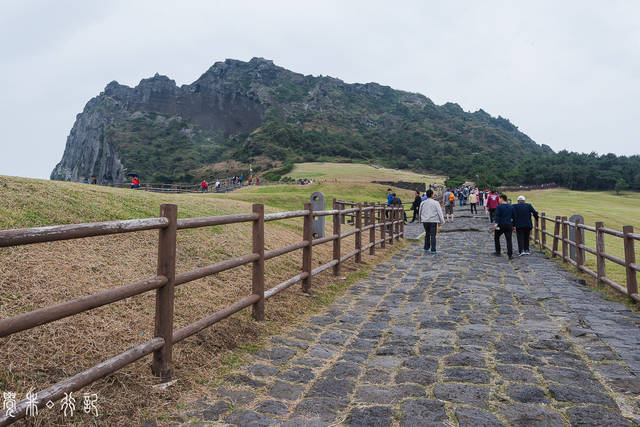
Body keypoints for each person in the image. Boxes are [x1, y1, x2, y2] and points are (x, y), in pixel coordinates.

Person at [419, 189, 444, 254]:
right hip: (433, 220)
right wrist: (441, 221)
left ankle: (426, 248)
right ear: (432, 195)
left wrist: (420, 219)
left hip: (425, 221)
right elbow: (439, 212)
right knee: (433, 235)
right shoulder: (436, 203)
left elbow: (420, 212)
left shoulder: (423, 203)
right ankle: (433, 249)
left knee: (427, 234)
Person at [493, 194, 515, 259]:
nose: (498, 200)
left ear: (502, 198)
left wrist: (496, 223)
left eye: (499, 199)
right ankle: (510, 254)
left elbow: (497, 215)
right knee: (509, 240)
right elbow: (514, 217)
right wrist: (514, 225)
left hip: (500, 225)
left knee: (496, 237)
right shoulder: (511, 207)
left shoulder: (499, 207)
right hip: (508, 225)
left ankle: (498, 251)